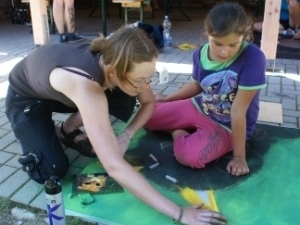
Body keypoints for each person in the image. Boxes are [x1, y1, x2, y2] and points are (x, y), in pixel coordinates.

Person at [5, 27, 226, 225]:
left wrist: (126, 135)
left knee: (126, 95)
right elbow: (114, 166)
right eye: (140, 81)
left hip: (60, 89)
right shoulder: (89, 88)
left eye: (149, 78)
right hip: (27, 98)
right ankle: (38, 136)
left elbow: (149, 102)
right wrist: (179, 213)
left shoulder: (120, 58)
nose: (146, 86)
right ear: (113, 72)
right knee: (53, 170)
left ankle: (67, 130)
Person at [144, 2, 267, 177]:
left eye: (233, 45)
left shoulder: (254, 58)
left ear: (244, 36)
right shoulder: (200, 53)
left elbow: (238, 110)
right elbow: (196, 85)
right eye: (217, 43)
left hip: (227, 125)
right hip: (200, 106)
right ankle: (185, 129)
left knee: (190, 156)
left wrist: (239, 157)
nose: (225, 52)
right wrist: (167, 98)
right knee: (146, 115)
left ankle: (177, 132)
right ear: (207, 34)